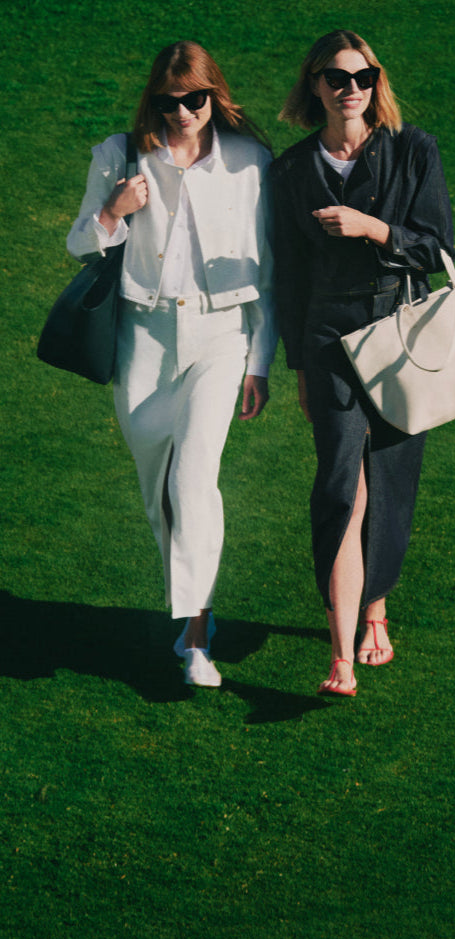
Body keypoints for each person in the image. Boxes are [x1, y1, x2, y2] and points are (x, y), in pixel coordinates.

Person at [67, 41, 277, 688]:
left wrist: (259, 361)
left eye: (195, 99)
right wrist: (112, 213)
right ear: (153, 100)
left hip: (221, 339)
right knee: (160, 497)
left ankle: (194, 637)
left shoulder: (250, 163)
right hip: (145, 342)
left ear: (215, 96)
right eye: (169, 101)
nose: (183, 111)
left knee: (193, 483)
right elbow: (80, 242)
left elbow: (269, 270)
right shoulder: (118, 155)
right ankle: (193, 613)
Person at [271, 30, 454, 696]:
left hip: (400, 329)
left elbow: (436, 249)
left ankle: (377, 606)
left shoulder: (412, 151)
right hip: (326, 339)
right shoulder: (290, 171)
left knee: (391, 477)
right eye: (336, 78)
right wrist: (295, 366)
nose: (352, 89)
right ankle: (341, 655)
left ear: (377, 83)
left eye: (364, 76)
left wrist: (372, 228)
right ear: (314, 85)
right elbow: (287, 276)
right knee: (341, 486)